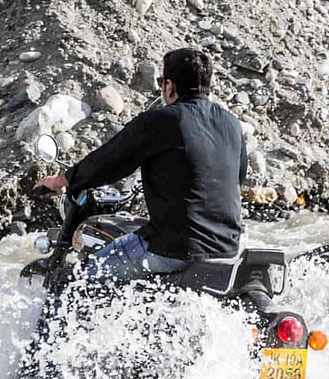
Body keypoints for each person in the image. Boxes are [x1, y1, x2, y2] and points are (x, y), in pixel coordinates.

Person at [35, 46, 247, 285]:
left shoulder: (162, 120)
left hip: (174, 248)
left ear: (169, 85)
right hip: (227, 249)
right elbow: (238, 177)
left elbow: (110, 161)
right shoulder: (231, 124)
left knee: (77, 281)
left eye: (161, 82)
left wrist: (63, 180)